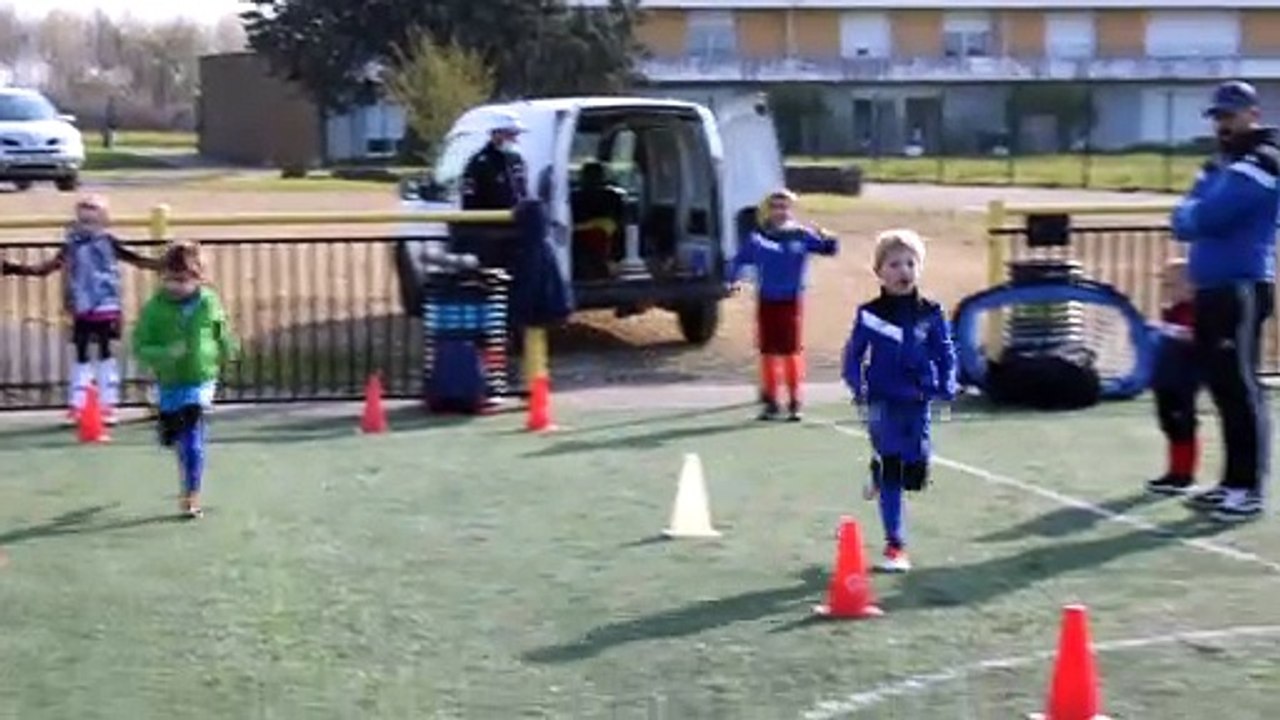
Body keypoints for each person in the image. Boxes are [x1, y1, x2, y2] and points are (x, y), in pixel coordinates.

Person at [1170, 80, 1279, 522]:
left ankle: (1248, 488)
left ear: (1252, 114)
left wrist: (1194, 213)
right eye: (1218, 116)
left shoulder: (1264, 160)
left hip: (1241, 287)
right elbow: (1184, 217)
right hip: (1214, 289)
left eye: (1230, 115)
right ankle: (1231, 483)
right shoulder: (1221, 161)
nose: (1222, 124)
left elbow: (1206, 215)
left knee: (1241, 388)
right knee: (1222, 388)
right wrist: (1193, 214)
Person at [842, 229, 956, 573]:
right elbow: (853, 355)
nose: (903, 270)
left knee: (916, 471)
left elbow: (945, 352)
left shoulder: (931, 312)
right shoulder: (869, 314)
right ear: (879, 271)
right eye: (894, 264)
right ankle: (895, 544)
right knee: (893, 466)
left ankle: (879, 471)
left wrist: (947, 383)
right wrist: (857, 387)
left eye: (910, 263)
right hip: (881, 400)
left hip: (918, 399)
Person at [1, 194, 160, 425]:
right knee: (82, 355)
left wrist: (168, 263)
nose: (86, 226)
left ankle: (107, 405)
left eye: (92, 221)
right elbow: (46, 268)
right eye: (82, 221)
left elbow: (137, 260)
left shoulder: (109, 242)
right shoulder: (72, 245)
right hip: (82, 308)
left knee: (106, 354)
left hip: (107, 306)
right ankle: (78, 404)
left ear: (104, 221)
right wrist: (15, 268)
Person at [132, 241, 238, 520]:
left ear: (198, 278)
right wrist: (165, 353)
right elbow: (140, 346)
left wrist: (228, 348)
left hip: (201, 378)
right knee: (173, 436)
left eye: (182, 280)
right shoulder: (154, 309)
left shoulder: (208, 302)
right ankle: (166, 422)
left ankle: (191, 495)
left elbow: (219, 328)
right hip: (170, 382)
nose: (175, 286)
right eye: (168, 279)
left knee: (192, 438)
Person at [728, 189, 838, 421]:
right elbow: (738, 261)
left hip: (791, 301)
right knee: (767, 351)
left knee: (790, 351)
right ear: (768, 210)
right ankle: (771, 401)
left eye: (784, 206)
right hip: (767, 299)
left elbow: (829, 249)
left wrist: (829, 238)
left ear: (791, 210)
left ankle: (795, 401)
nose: (780, 211)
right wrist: (733, 280)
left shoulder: (801, 235)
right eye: (775, 206)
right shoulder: (759, 237)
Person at [1146, 258, 1202, 495]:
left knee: (1183, 424)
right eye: (1166, 285)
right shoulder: (1172, 311)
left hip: (1184, 378)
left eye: (1172, 284)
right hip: (1166, 377)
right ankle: (1173, 472)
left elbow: (1192, 337)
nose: (1167, 289)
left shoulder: (1195, 311)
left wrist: (1165, 330)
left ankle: (1184, 474)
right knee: (1169, 423)